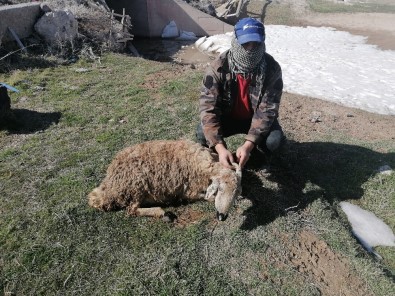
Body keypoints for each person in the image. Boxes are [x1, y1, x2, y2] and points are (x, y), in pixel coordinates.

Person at [196, 17, 285, 169]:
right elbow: (208, 109)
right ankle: (220, 158)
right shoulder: (218, 67)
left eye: (255, 43)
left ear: (262, 42)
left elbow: (267, 111)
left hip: (255, 119)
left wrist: (248, 146)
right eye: (245, 43)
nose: (250, 49)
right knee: (202, 132)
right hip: (228, 117)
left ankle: (257, 156)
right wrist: (220, 147)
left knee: (274, 141)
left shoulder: (272, 69)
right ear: (236, 41)